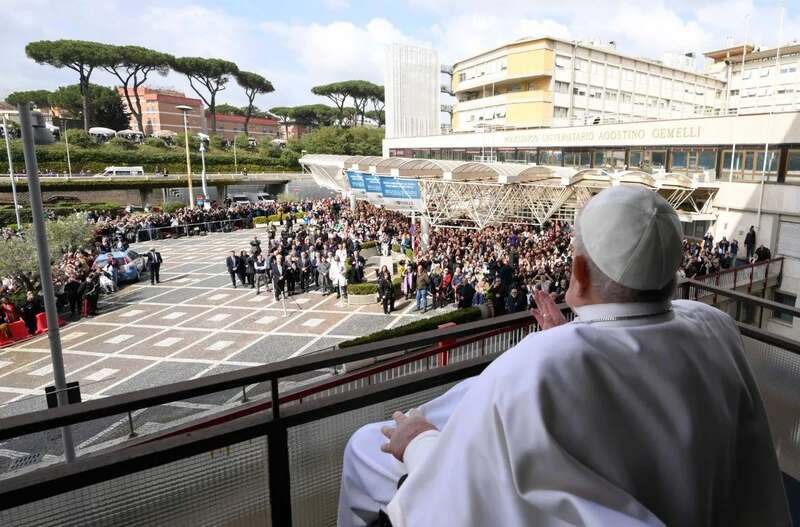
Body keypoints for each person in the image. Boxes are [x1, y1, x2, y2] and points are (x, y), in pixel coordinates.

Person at [338, 186, 790, 527]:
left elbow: (466, 487)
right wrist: (571, 338)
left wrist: (418, 442)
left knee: (363, 447)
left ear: (578, 271)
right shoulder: (713, 324)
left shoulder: (535, 363)